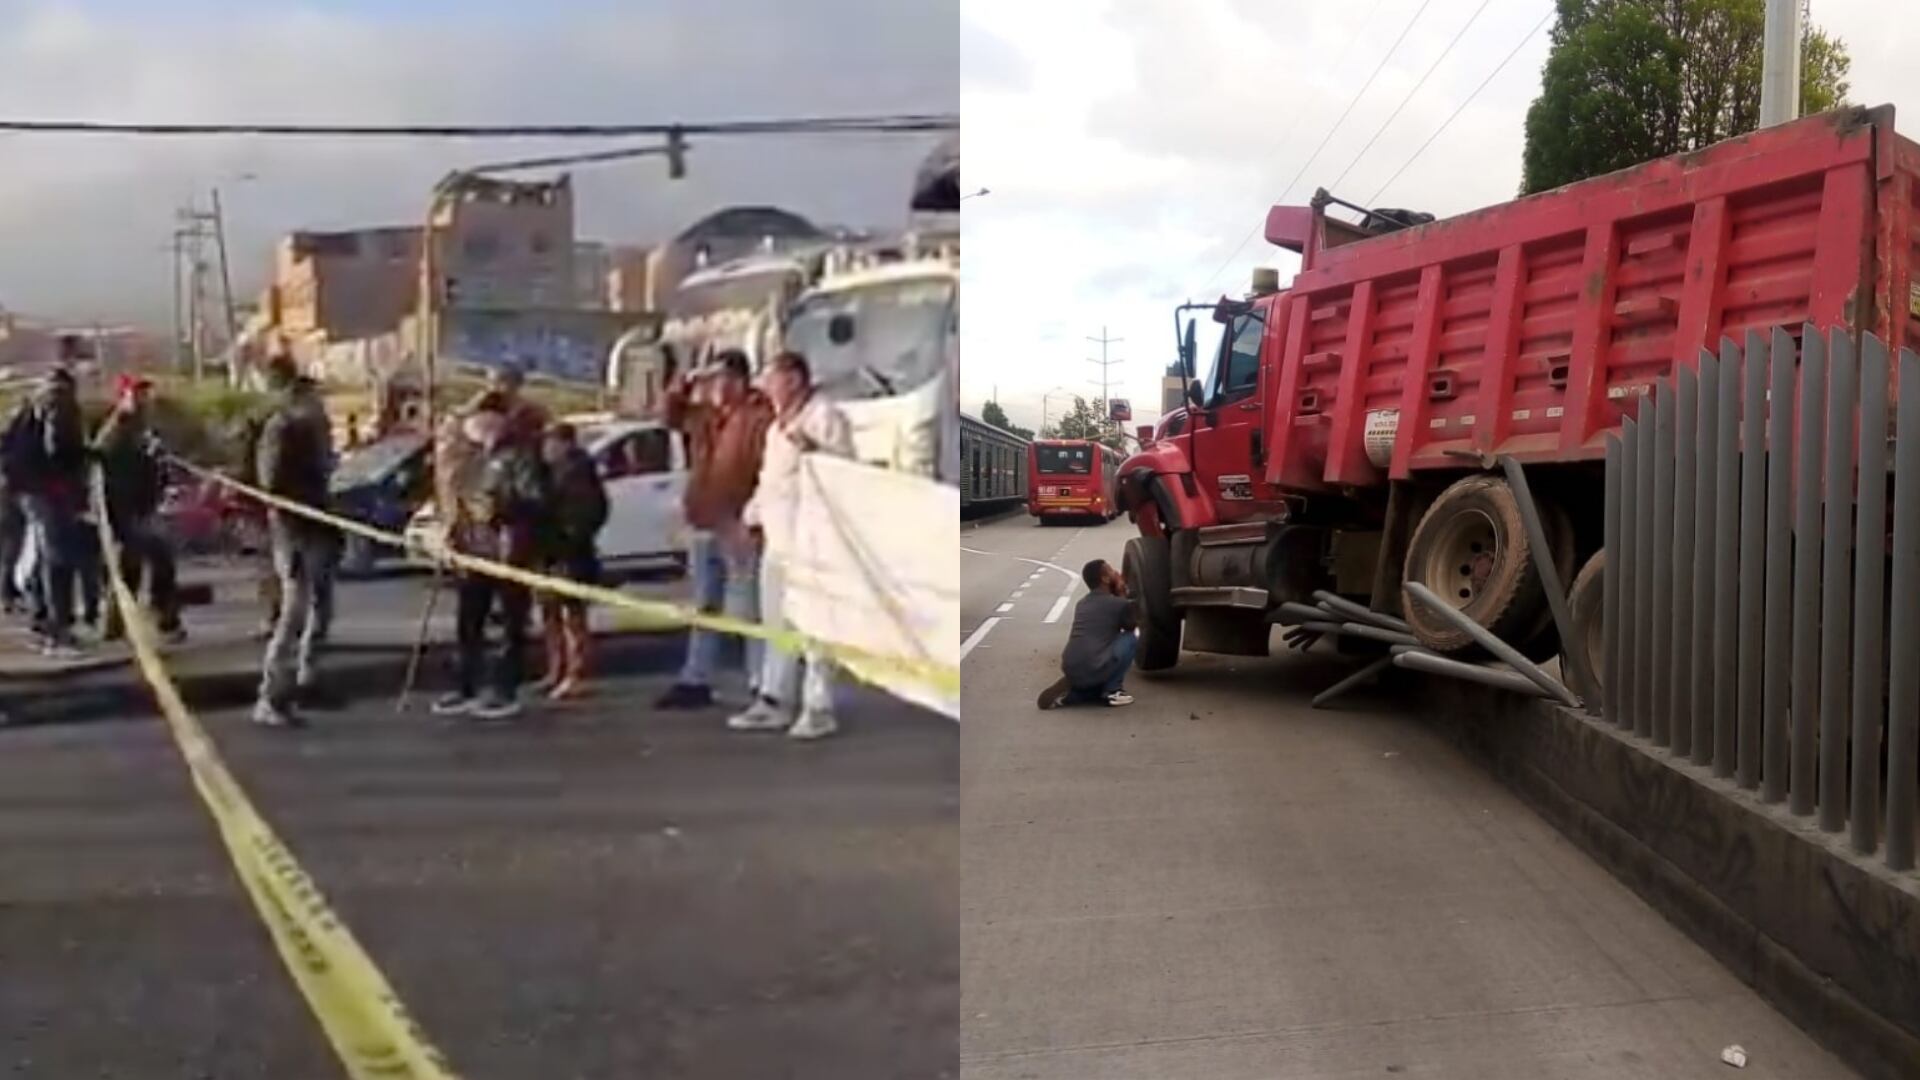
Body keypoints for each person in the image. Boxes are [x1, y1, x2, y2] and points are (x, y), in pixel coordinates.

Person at [728, 351, 854, 740]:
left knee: (815, 623)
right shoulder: (774, 428)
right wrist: (749, 519)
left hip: (812, 541)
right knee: (776, 623)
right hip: (778, 541)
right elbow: (772, 483)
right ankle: (774, 699)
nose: (766, 388)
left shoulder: (823, 416)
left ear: (795, 380)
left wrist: (814, 449)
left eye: (773, 379)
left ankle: (819, 706)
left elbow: (848, 471)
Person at [655, 349, 775, 709]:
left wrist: (751, 518)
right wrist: (683, 383)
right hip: (704, 520)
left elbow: (765, 468)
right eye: (712, 381)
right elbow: (667, 416)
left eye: (723, 379)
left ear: (739, 381)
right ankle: (697, 677)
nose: (717, 388)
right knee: (705, 603)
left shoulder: (757, 417)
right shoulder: (704, 417)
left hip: (740, 523)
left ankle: (762, 680)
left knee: (750, 606)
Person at [433, 404, 551, 720]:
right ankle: (465, 684)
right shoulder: (471, 459)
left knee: (511, 623)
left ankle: (504, 688)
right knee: (469, 622)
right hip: (474, 551)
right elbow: (457, 497)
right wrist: (452, 531)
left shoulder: (520, 457)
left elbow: (537, 500)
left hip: (509, 552)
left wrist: (502, 507)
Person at [251, 356, 336, 729]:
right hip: (294, 531)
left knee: (321, 604)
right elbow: (272, 486)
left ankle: (307, 678)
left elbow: (323, 477)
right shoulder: (282, 429)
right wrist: (294, 524)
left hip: (317, 527)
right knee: (294, 611)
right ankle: (271, 694)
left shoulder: (314, 431)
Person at [4, 367, 88, 656]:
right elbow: (58, 448)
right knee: (58, 557)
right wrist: (81, 461)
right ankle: (57, 628)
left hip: (26, 488)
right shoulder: (60, 401)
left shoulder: (29, 406)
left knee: (40, 555)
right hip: (47, 488)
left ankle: (42, 620)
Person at [94, 374, 184, 644]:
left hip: (143, 505)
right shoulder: (117, 431)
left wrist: (160, 472)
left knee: (134, 567)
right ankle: (163, 621)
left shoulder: (142, 428)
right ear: (124, 397)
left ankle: (116, 625)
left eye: (146, 394)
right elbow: (108, 467)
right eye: (137, 394)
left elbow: (153, 466)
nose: (144, 399)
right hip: (127, 508)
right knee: (157, 561)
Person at [536, 421, 607, 700]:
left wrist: (570, 534)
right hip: (549, 553)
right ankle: (555, 668)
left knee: (572, 616)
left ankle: (576, 673)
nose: (547, 449)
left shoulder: (578, 473)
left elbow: (592, 512)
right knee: (549, 613)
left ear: (566, 444)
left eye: (552, 443)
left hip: (571, 554)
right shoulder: (548, 472)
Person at [1037, 560, 1139, 709]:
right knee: (1130, 638)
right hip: (1094, 665)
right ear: (1105, 579)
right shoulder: (1118, 603)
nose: (1116, 573)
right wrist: (1122, 591)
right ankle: (1113, 691)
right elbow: (1130, 625)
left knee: (1092, 689)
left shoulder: (1082, 603)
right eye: (1111, 571)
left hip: (1070, 665)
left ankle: (1072, 696)